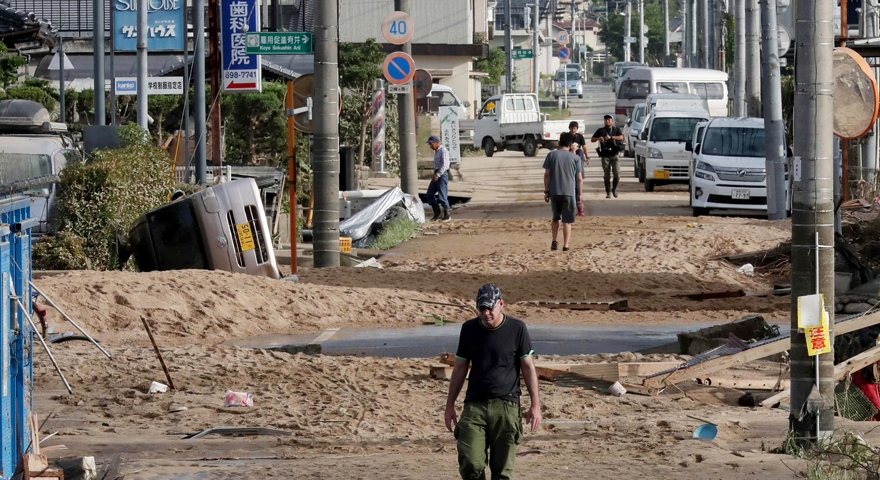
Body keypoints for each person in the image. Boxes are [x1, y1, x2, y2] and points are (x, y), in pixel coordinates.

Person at [444, 284, 541, 480]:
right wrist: (450, 405)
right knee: (471, 464)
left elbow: (528, 367)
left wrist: (535, 405)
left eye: (490, 308)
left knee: (502, 471)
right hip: (474, 407)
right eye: (481, 308)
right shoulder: (469, 329)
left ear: (501, 304)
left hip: (507, 405)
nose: (486, 313)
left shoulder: (517, 328)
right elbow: (460, 367)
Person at [543, 132, 582, 252]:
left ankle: (554, 240)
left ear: (559, 143)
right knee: (567, 220)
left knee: (556, 218)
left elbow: (547, 175)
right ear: (571, 144)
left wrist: (546, 191)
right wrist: (579, 195)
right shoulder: (575, 158)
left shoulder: (551, 155)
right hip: (569, 192)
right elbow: (579, 178)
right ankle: (566, 245)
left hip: (555, 191)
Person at [591, 114, 625, 199]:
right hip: (605, 155)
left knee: (617, 174)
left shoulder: (616, 129)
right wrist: (599, 138)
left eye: (609, 119)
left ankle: (614, 188)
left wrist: (611, 137)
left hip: (615, 154)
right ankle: (608, 192)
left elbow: (621, 137)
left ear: (612, 121)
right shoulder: (601, 130)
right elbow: (592, 139)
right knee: (606, 176)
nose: (607, 121)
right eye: (606, 120)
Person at [426, 135, 451, 221]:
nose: (430, 146)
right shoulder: (437, 151)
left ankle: (447, 215)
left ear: (437, 142)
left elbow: (445, 165)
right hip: (436, 173)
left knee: (442, 196)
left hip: (442, 174)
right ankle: (437, 213)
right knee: (429, 194)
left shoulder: (443, 151)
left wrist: (438, 174)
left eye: (431, 144)